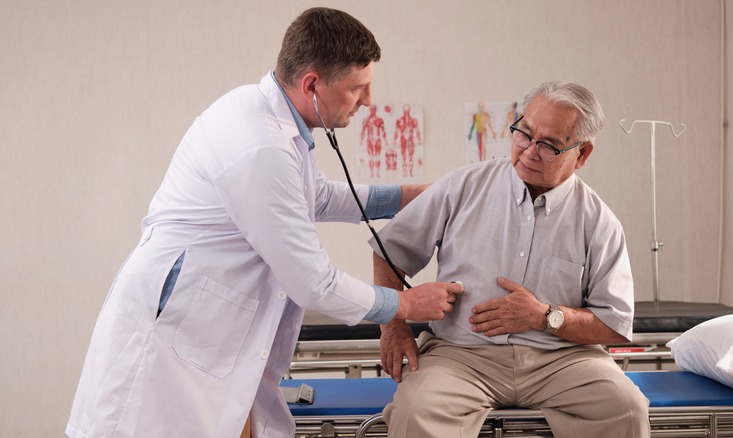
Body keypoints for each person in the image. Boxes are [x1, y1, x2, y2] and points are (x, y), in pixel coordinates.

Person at [66, 7, 463, 438]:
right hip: (175, 341)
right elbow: (313, 282)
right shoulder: (261, 145)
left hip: (208, 334)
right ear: (312, 84)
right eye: (357, 88)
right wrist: (404, 304)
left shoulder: (272, 120)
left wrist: (411, 196)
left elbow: (318, 196)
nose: (367, 101)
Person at [371, 81, 650, 437]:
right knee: (414, 412)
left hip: (562, 361)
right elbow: (390, 249)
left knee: (627, 409)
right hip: (461, 356)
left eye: (549, 144)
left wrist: (546, 317)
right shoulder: (463, 186)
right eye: (523, 134)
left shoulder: (599, 221)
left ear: (582, 154)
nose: (530, 151)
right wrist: (392, 325)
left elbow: (614, 324)